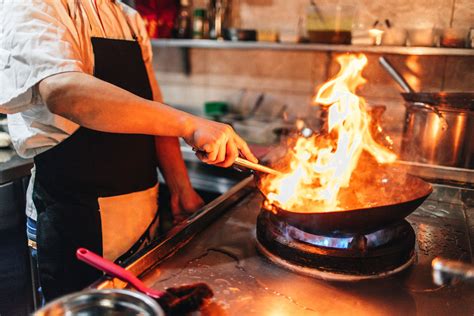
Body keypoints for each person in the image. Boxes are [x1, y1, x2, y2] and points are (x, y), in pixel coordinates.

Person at [0, 0, 257, 302]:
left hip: (142, 216)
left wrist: (181, 189)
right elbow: (65, 92)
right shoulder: (35, 4)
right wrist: (190, 124)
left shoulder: (128, 18)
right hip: (75, 221)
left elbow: (154, 112)